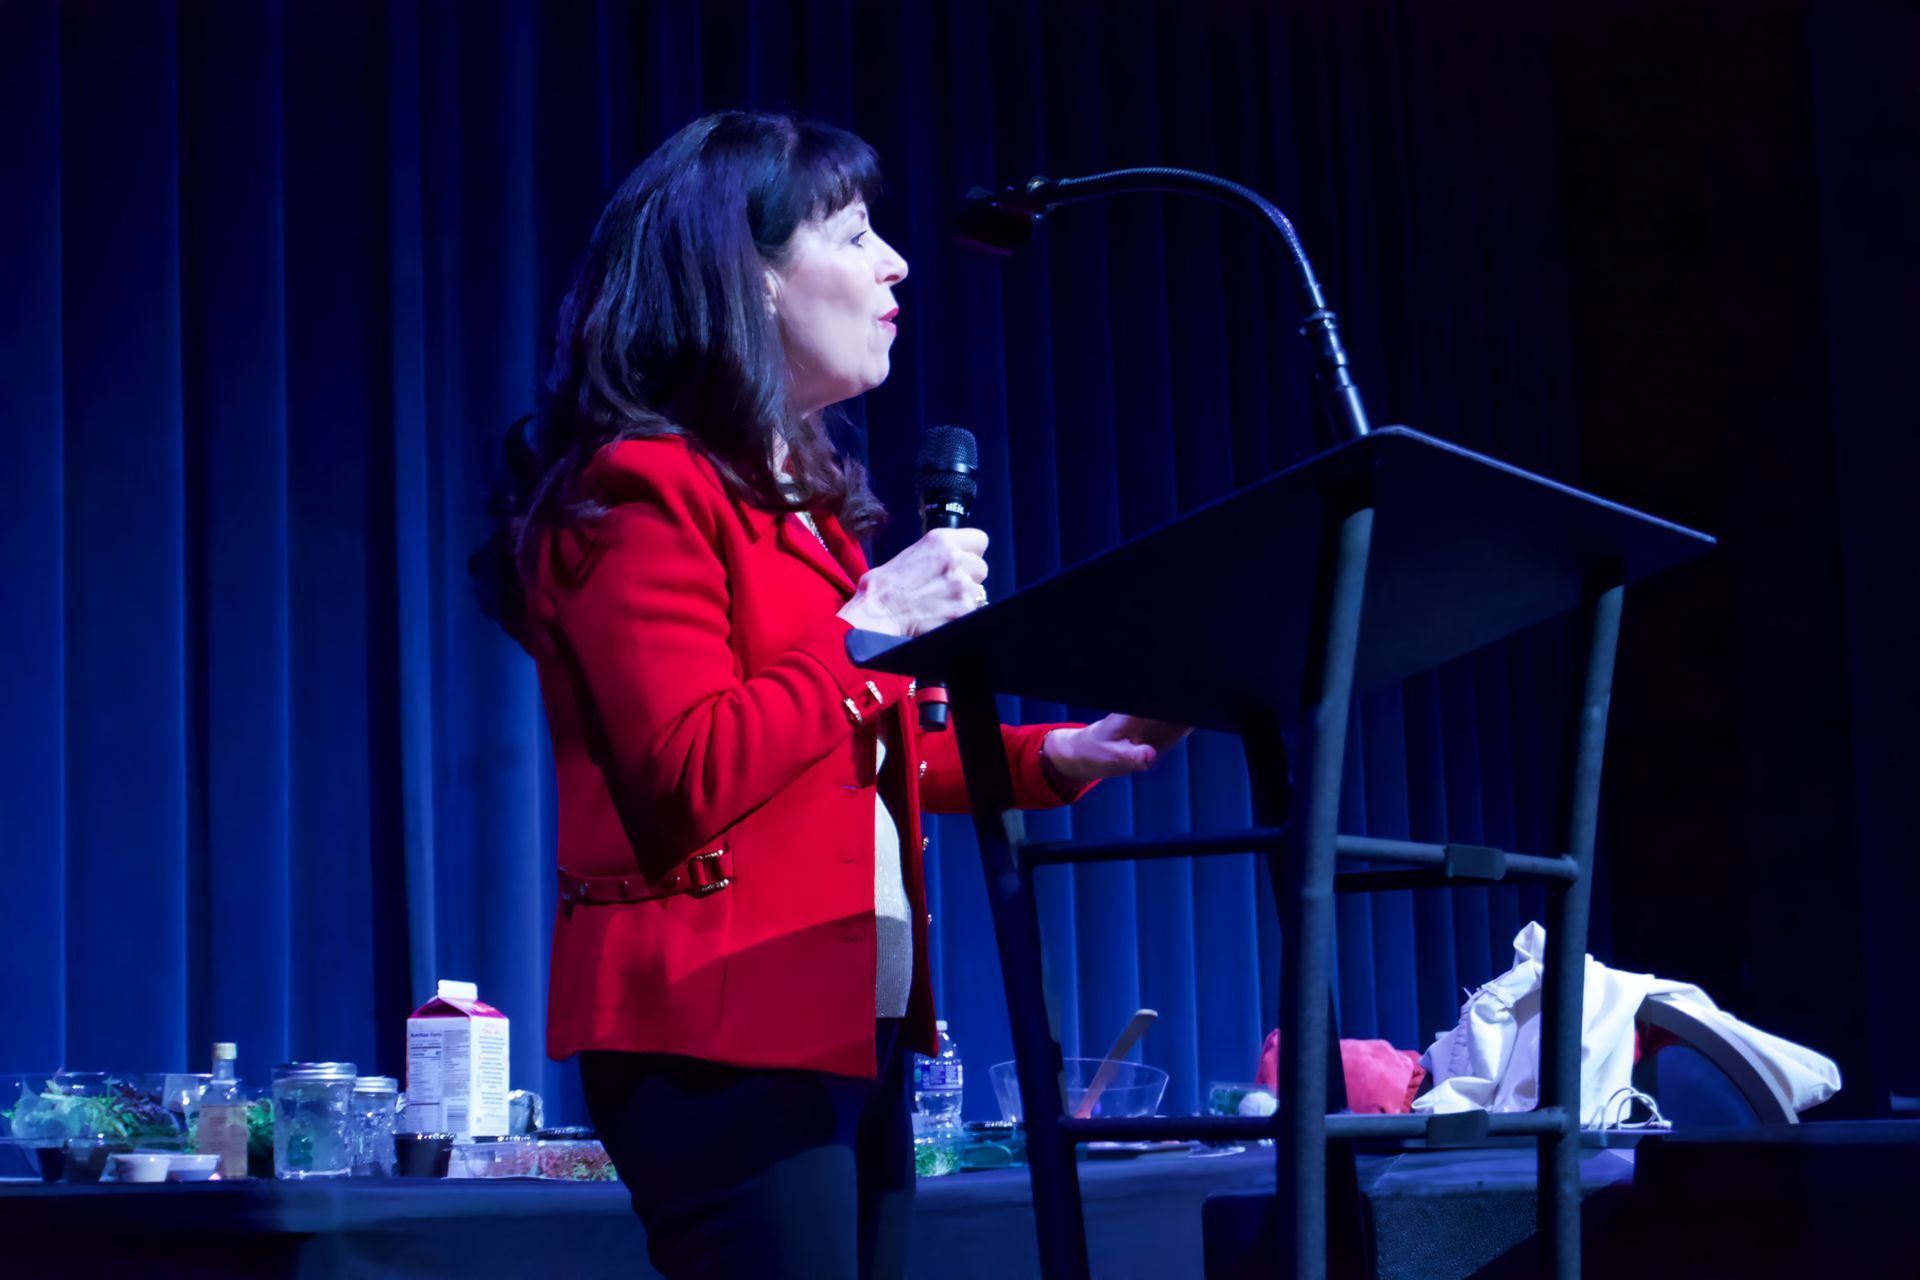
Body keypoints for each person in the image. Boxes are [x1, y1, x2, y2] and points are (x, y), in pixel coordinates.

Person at [473, 111, 1187, 1280]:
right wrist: (872, 627)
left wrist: (1069, 751)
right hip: (719, 1017)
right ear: (748, 276)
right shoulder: (637, 487)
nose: (896, 262)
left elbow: (871, 750)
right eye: (853, 234)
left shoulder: (795, 508)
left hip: (846, 1015)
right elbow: (690, 770)